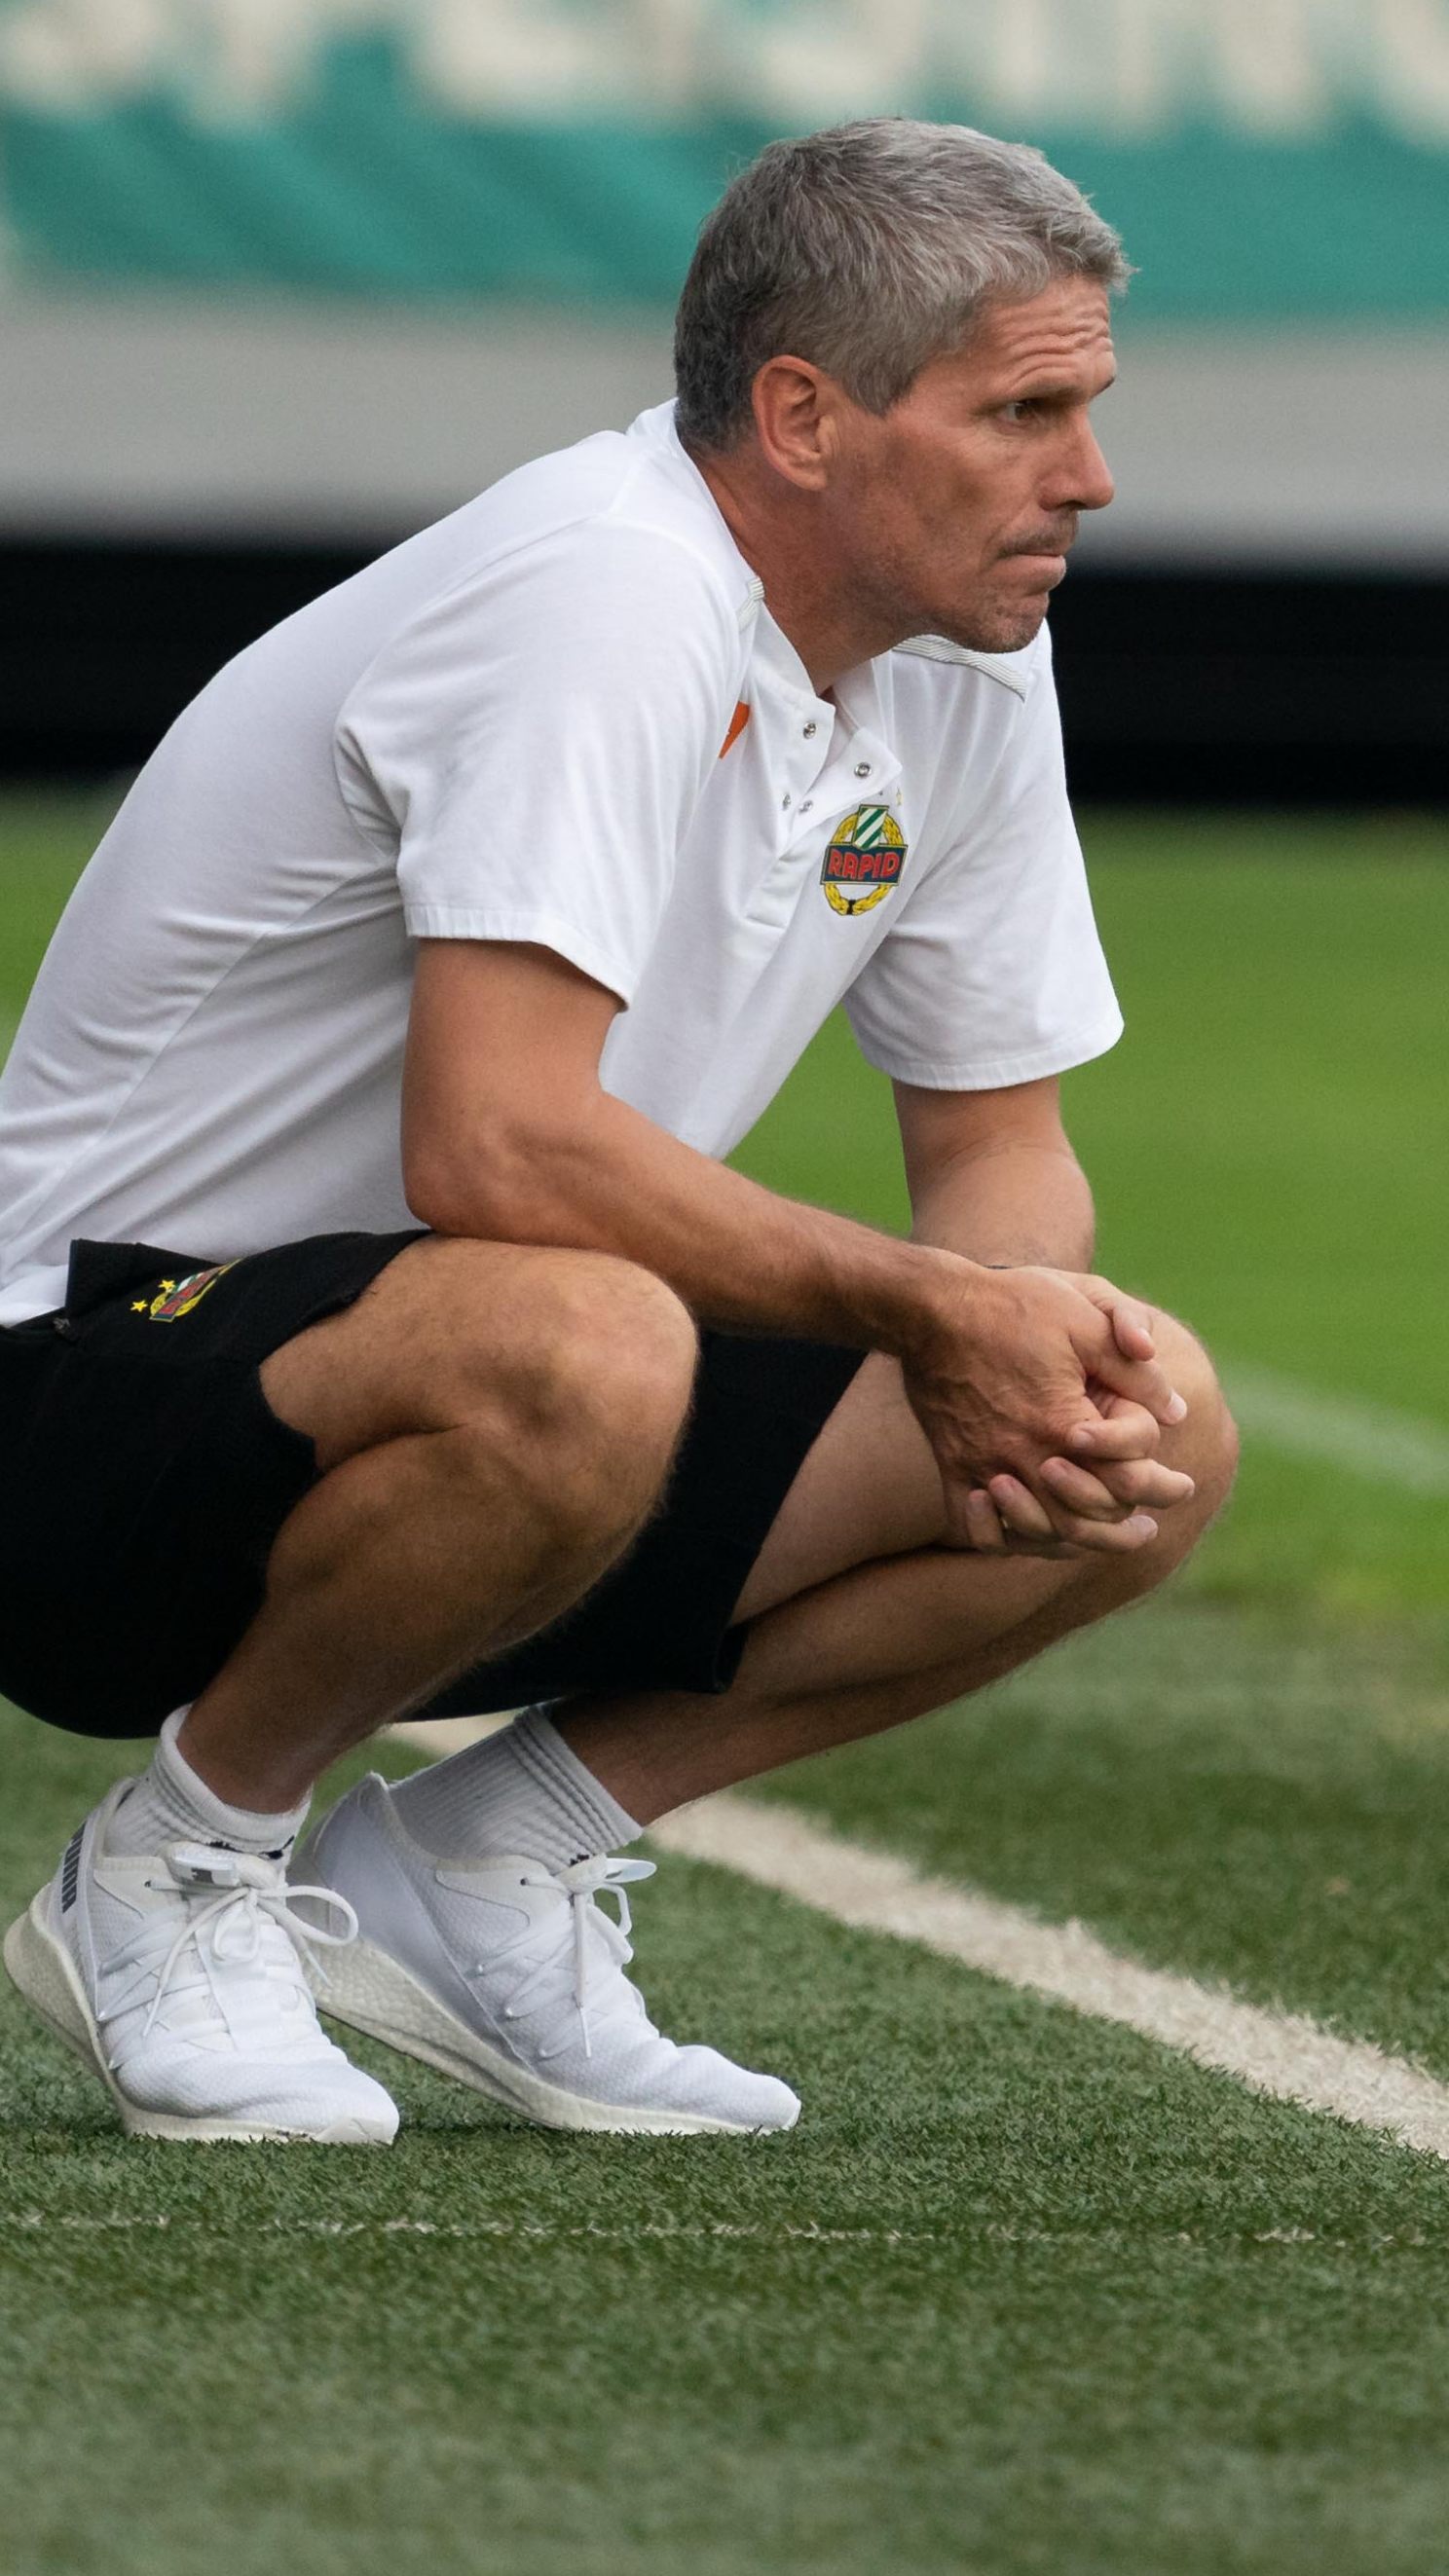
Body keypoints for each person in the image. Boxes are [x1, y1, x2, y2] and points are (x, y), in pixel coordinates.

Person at [0, 118, 1237, 2147]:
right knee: (586, 1333)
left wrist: (1022, 1348)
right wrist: (938, 1316)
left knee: (1150, 1419)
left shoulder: (964, 658)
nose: (1087, 477)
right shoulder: (606, 590)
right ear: (804, 416)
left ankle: (481, 1868)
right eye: (1024, 411)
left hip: (458, 1392)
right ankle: (171, 1865)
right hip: (72, 1407)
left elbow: (1004, 1147)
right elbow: (491, 1149)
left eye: (1085, 410)